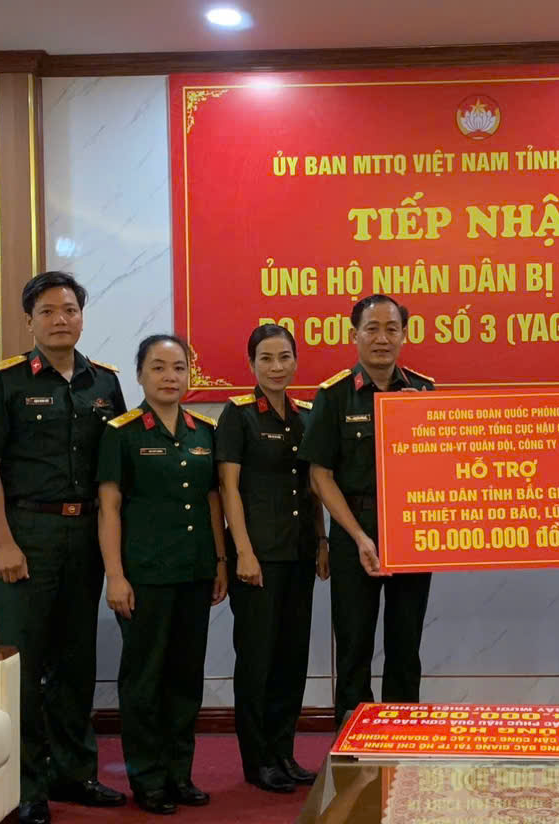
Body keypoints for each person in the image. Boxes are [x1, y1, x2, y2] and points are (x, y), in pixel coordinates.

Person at [0, 271, 128, 824]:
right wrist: (3, 542)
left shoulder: (104, 383)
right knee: (27, 664)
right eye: (49, 312)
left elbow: (113, 470)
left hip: (85, 536)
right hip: (27, 535)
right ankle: (27, 784)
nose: (62, 320)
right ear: (29, 321)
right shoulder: (4, 381)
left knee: (77, 660)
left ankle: (74, 773)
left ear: (82, 317)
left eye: (70, 310)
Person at [97, 334, 229, 815]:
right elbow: (109, 508)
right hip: (145, 575)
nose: (170, 377)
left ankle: (179, 773)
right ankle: (148, 778)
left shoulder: (203, 431)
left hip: (194, 571)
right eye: (158, 367)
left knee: (185, 677)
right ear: (140, 375)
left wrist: (220, 561)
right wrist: (115, 575)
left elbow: (213, 500)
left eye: (178, 368)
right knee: (145, 680)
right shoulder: (122, 432)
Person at [299, 294, 434, 727]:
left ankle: (402, 731)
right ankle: (353, 735)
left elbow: (441, 467)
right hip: (353, 529)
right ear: (354, 335)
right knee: (354, 642)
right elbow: (320, 476)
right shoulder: (335, 395)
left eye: (391, 329)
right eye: (371, 329)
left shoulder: (423, 391)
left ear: (404, 335)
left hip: (412, 531)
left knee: (405, 642)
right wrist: (358, 536)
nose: (382, 338)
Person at [217, 324, 329, 794]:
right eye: (266, 358)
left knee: (291, 657)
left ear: (296, 361)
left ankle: (283, 752)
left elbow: (314, 484)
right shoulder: (238, 415)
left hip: (299, 552)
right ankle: (258, 759)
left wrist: (321, 540)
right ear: (251, 364)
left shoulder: (305, 416)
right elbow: (228, 488)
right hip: (258, 557)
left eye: (284, 357)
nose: (276, 367)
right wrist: (242, 551)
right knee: (258, 660)